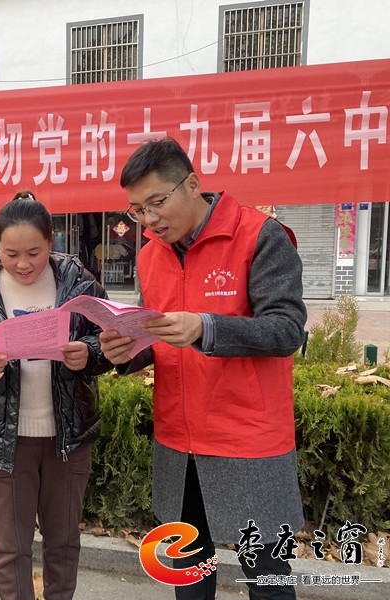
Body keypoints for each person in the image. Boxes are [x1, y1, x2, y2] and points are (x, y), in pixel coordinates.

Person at [100, 137, 306, 600]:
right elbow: (158, 336)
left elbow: (286, 329)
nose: (149, 220)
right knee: (190, 572)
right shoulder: (150, 254)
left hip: (247, 437)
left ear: (192, 185)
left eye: (157, 203)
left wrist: (205, 327)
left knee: (267, 578)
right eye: (138, 210)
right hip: (179, 438)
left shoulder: (258, 236)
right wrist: (127, 350)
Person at [0, 191, 112, 600]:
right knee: (11, 546)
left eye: (34, 252)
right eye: (10, 253)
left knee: (63, 542)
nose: (22, 264)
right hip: (5, 439)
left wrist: (89, 353)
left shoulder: (79, 283)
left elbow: (110, 340)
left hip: (67, 437)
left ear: (52, 241)